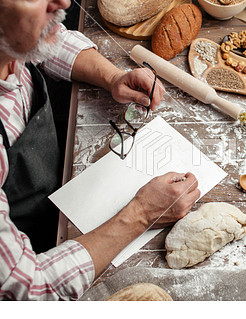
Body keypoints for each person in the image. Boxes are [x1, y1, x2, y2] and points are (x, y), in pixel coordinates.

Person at [0, 0, 200, 300]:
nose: (64, 2)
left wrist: (112, 77)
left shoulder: (12, 41)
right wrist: (142, 213)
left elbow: (47, 40)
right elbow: (31, 290)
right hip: (33, 242)